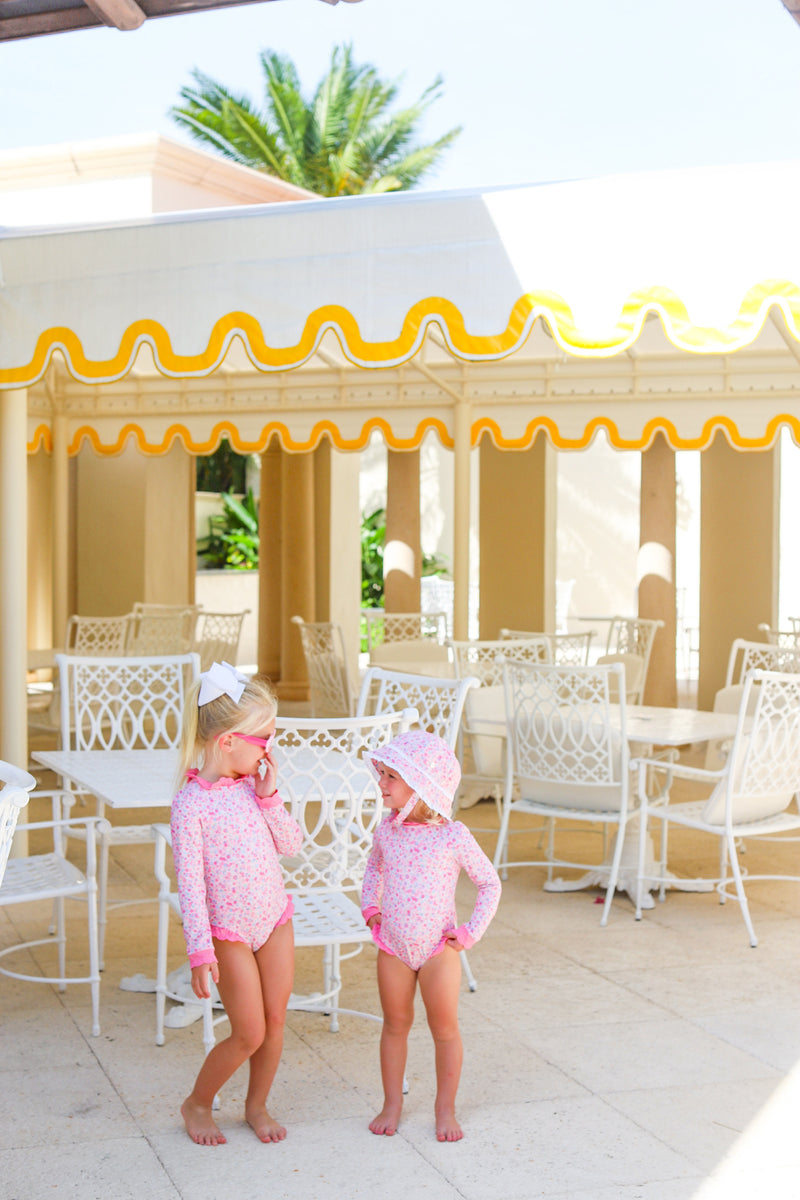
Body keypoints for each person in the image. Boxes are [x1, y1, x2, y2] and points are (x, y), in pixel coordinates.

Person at [170, 661, 302, 1147]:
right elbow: (190, 886)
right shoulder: (191, 805)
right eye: (264, 738)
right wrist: (199, 951)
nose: (270, 747)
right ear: (228, 741)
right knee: (248, 1032)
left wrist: (270, 798)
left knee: (275, 1022)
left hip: (274, 920)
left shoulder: (253, 789)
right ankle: (197, 1103)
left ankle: (257, 1105)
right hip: (229, 932)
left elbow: (292, 845)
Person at [361, 730, 501, 1142]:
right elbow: (374, 868)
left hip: (439, 949)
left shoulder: (452, 835)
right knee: (394, 1025)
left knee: (444, 1029)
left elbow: (489, 884)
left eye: (391, 776)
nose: (381, 783)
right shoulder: (387, 831)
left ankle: (445, 1108)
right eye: (382, 774)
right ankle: (392, 1103)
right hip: (393, 946)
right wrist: (370, 907)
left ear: (421, 784)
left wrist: (470, 933)